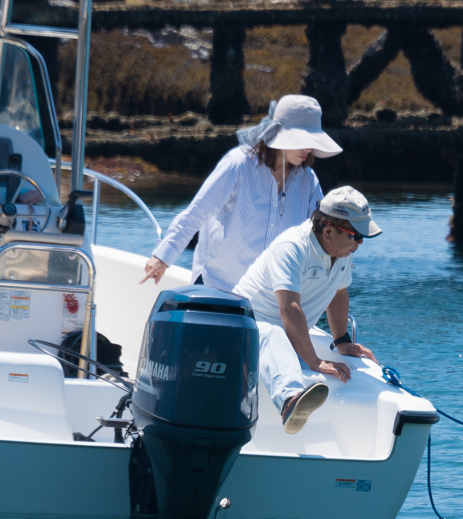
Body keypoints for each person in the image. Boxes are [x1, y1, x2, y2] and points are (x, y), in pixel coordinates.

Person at [141, 95, 342, 290]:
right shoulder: (238, 164)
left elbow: (318, 237)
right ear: (278, 133)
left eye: (312, 139)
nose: (308, 147)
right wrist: (162, 257)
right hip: (219, 289)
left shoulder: (309, 181)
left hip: (271, 301)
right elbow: (197, 213)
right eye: (302, 139)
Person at [233, 186, 381, 434]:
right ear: (329, 231)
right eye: (355, 235)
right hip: (241, 329)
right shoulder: (291, 247)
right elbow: (289, 310)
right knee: (271, 333)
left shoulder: (342, 252)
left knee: (278, 336)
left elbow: (339, 292)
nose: (360, 243)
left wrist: (342, 341)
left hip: (280, 336)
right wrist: (314, 361)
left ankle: (301, 391)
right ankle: (291, 400)